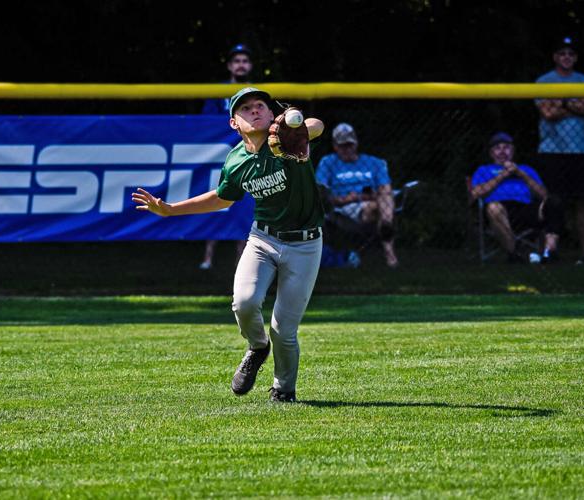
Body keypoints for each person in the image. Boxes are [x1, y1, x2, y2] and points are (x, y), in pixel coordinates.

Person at [132, 87, 326, 403]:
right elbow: (222, 198)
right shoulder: (236, 160)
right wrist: (169, 209)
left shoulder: (290, 139)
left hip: (305, 245)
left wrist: (296, 126)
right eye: (245, 108)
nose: (254, 110)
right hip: (262, 239)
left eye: (260, 105)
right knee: (244, 302)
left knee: (284, 330)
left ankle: (283, 390)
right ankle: (257, 346)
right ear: (234, 123)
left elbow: (317, 125)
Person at [535, 36, 584, 264]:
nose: (567, 57)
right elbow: (548, 113)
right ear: (555, 57)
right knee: (553, 200)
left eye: (571, 54)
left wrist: (561, 102)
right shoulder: (544, 81)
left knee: (583, 201)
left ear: (576, 57)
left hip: (580, 150)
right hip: (552, 151)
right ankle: (550, 250)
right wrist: (574, 105)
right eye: (562, 53)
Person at [199, 44, 254, 270]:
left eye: (245, 61)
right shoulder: (219, 90)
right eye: (236, 61)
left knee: (245, 207)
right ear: (230, 65)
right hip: (220, 157)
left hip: (248, 156)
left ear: (250, 66)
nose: (241, 65)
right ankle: (208, 258)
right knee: (215, 202)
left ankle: (241, 261)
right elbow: (205, 123)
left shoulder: (255, 93)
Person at [470, 132, 564, 263]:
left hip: (525, 209)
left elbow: (543, 195)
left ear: (513, 151)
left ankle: (549, 252)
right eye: (498, 148)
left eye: (506, 147)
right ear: (491, 153)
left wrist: (520, 174)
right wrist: (503, 175)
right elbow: (475, 194)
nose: (502, 151)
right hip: (499, 212)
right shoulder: (484, 170)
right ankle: (515, 254)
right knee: (493, 208)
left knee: (553, 202)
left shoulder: (526, 169)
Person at [315, 123, 398, 268]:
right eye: (342, 145)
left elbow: (386, 188)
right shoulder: (328, 163)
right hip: (343, 208)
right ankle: (389, 243)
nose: (347, 149)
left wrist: (366, 196)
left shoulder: (374, 163)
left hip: (374, 202)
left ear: (356, 143)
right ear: (335, 145)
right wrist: (344, 199)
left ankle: (386, 225)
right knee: (380, 205)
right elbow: (321, 191)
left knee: (383, 199)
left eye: (349, 144)